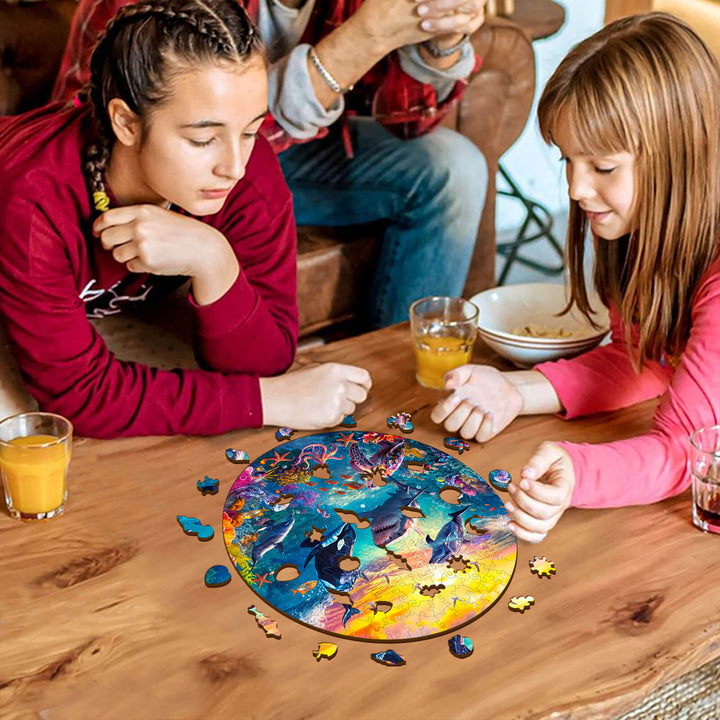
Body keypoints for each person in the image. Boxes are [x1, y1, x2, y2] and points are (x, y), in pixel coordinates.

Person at [0, 0, 371, 438]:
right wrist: (271, 400)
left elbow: (268, 358)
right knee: (22, 434)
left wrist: (214, 260)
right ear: (126, 123)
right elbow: (82, 398)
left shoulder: (247, 170)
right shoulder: (33, 199)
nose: (234, 165)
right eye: (203, 139)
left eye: (250, 131)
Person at [431, 12, 720, 542]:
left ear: (682, 158)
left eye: (603, 167)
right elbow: (644, 358)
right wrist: (515, 391)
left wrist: (579, 472)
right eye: (568, 160)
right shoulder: (641, 230)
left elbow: (689, 448)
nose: (574, 189)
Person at [51, 0, 489, 328]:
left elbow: (411, 124)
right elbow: (107, 135)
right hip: (152, 164)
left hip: (287, 148)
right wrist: (362, 39)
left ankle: (402, 375)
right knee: (226, 149)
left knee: (454, 167)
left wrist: (440, 41)